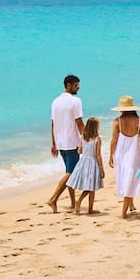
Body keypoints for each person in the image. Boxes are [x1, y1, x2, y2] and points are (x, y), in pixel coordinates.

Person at [48, 74, 84, 213]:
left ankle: (73, 202)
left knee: (69, 172)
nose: (78, 88)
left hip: (60, 142)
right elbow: (79, 122)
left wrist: (54, 143)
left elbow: (53, 124)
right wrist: (88, 138)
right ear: (68, 85)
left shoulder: (55, 102)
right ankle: (53, 199)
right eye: (76, 86)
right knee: (71, 173)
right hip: (72, 142)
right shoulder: (76, 101)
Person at [109, 95, 140, 219]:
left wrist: (111, 155)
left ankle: (131, 205)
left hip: (120, 154)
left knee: (125, 179)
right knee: (131, 180)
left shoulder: (117, 121)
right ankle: (124, 212)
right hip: (134, 154)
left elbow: (114, 140)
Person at [66, 117, 105, 214]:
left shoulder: (83, 138)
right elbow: (98, 155)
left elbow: (79, 151)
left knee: (91, 187)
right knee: (91, 187)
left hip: (83, 162)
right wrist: (101, 168)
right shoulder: (97, 139)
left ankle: (90, 209)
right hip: (93, 163)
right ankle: (79, 201)